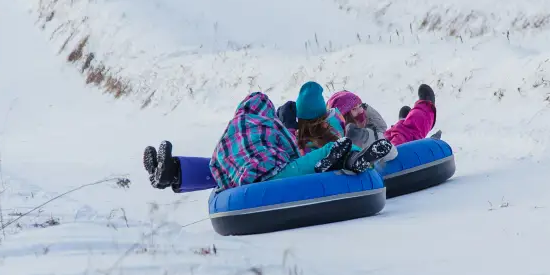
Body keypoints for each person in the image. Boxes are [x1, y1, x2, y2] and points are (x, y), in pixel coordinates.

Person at [144, 88, 395, 191]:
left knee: (233, 165)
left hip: (320, 156)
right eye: (356, 108)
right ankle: (175, 170)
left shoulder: (352, 124)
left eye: (362, 107)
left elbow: (390, 135)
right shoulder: (335, 122)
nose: (360, 111)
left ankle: (177, 171)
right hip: (312, 159)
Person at [329, 84, 440, 148]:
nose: (360, 111)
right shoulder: (349, 136)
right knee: (406, 133)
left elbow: (381, 128)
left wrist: (366, 109)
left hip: (380, 144)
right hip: (380, 157)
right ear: (344, 117)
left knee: (391, 133)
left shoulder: (361, 124)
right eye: (354, 109)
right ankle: (425, 107)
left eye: (360, 106)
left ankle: (403, 122)